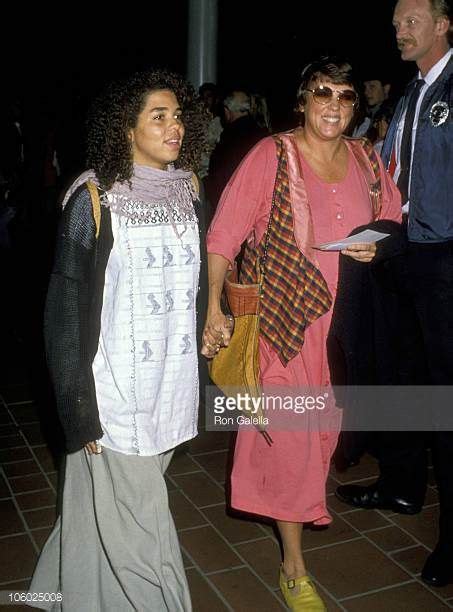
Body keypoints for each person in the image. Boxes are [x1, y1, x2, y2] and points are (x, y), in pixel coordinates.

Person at [203, 57, 401, 611]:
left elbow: (393, 219)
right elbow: (224, 233)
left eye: (343, 95)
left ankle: (297, 516)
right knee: (291, 441)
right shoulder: (273, 154)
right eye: (321, 93)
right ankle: (293, 566)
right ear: (302, 101)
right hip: (286, 328)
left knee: (323, 438)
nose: (333, 104)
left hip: (349, 326)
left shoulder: (366, 157)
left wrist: (379, 242)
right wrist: (214, 308)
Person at [27, 69, 210, 611]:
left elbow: (195, 284)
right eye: (158, 116)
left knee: (98, 499)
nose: (174, 126)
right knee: (144, 533)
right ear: (126, 130)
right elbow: (62, 315)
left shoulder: (190, 190)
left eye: (178, 115)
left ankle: (65, 592)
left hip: (170, 390)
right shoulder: (94, 200)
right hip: (114, 395)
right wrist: (79, 411)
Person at [336, 0, 453, 588]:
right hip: (405, 251)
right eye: (396, 23)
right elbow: (389, 171)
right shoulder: (411, 96)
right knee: (400, 375)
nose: (400, 30)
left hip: (444, 257)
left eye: (412, 20)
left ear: (444, 22)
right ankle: (402, 484)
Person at [204, 89, 268, 218]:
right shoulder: (262, 133)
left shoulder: (230, 136)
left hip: (234, 208)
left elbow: (219, 175)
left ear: (227, 111)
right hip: (259, 206)